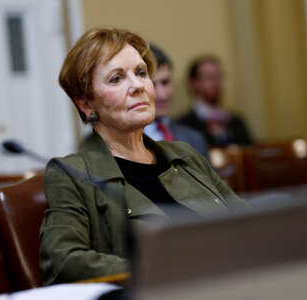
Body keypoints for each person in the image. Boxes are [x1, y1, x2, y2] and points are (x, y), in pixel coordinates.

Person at [39, 28, 246, 285]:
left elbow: (246, 224)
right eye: (116, 79)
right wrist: (158, 267)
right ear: (86, 104)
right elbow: (62, 261)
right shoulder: (71, 174)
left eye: (141, 73)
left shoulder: (185, 155)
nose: (138, 86)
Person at [144, 44, 209, 158]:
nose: (162, 94)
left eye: (165, 82)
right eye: (152, 85)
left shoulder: (194, 139)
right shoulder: (124, 144)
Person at [177, 55, 253, 147]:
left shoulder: (237, 121)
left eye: (219, 76)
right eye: (209, 77)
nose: (216, 82)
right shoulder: (183, 125)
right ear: (194, 83)